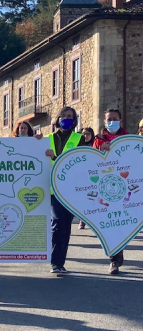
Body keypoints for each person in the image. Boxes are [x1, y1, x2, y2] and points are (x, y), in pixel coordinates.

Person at [44, 107, 85, 274]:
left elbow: (79, 161)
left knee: (66, 226)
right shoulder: (47, 138)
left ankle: (59, 263)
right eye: (64, 116)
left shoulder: (79, 139)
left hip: (70, 190)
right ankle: (54, 259)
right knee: (58, 222)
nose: (67, 119)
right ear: (58, 118)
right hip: (53, 189)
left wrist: (54, 157)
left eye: (70, 117)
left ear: (74, 120)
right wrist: (37, 139)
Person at [92, 109, 128, 275]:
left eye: (114, 119)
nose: (111, 121)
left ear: (120, 120)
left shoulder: (129, 138)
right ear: (104, 122)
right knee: (109, 225)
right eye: (109, 119)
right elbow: (91, 161)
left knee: (122, 223)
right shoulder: (98, 140)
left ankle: (118, 253)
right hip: (104, 188)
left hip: (126, 187)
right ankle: (113, 259)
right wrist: (101, 151)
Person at [77, 127, 96, 230]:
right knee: (83, 199)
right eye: (83, 134)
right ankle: (82, 220)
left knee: (92, 199)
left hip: (93, 175)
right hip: (81, 175)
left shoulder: (95, 144)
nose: (85, 136)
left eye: (88, 134)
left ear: (92, 135)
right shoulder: (79, 145)